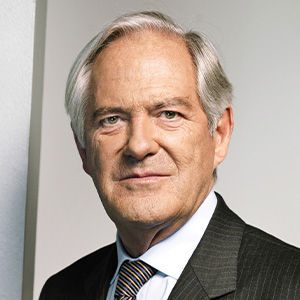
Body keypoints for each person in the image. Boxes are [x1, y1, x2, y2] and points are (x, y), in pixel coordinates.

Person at [40, 11, 300, 300]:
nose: (139, 146)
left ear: (220, 134)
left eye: (168, 114)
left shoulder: (291, 286)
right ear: (83, 149)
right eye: (112, 120)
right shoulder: (61, 291)